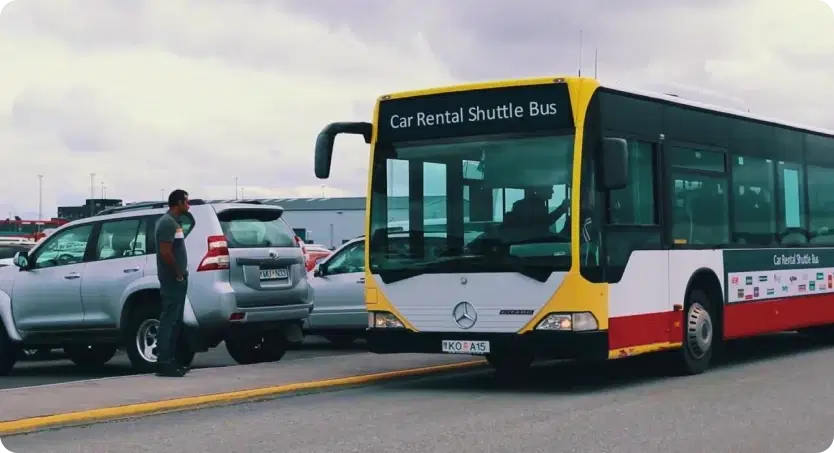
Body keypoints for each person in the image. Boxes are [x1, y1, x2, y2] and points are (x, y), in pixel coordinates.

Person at [154, 189, 191, 377]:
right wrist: (177, 272)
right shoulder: (167, 223)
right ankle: (164, 361)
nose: (189, 205)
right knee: (168, 319)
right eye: (186, 202)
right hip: (172, 279)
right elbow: (165, 252)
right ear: (177, 202)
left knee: (176, 319)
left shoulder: (176, 223)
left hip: (180, 277)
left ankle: (174, 360)